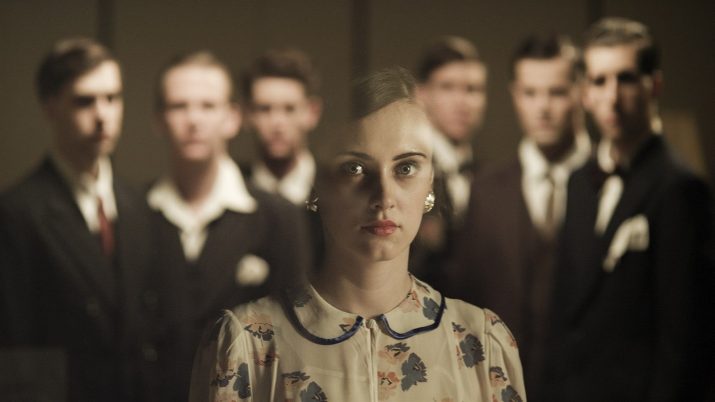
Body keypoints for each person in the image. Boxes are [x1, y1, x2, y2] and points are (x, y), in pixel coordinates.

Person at [189, 67, 525, 401]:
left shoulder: (481, 342)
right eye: (356, 168)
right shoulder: (247, 343)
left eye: (406, 168)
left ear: (430, 183)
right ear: (318, 183)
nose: (384, 197)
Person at [546, 17, 714, 401]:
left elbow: (685, 340)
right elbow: (564, 311)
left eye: (625, 79)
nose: (612, 97)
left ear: (654, 86)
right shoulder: (577, 183)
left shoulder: (680, 188)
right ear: (585, 93)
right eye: (599, 81)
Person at [147, 51, 311, 402]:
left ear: (233, 118)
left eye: (208, 106)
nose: (193, 120)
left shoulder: (277, 216)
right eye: (179, 106)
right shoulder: (137, 213)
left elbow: (294, 341)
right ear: (159, 119)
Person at [0, 38, 157, 402]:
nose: (102, 115)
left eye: (112, 98)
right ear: (50, 106)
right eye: (85, 101)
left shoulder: (136, 205)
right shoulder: (18, 212)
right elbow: (17, 350)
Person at [451, 34, 589, 400]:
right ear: (515, 95)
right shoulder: (486, 191)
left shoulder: (610, 183)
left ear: (581, 92)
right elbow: (466, 302)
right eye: (530, 93)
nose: (543, 107)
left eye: (556, 92)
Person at [411, 36, 488, 285]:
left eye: (472, 89)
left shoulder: (491, 177)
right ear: (421, 94)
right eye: (447, 87)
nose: (461, 102)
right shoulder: (403, 173)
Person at [240, 48, 322, 207]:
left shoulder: (340, 192)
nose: (277, 123)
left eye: (289, 109)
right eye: (264, 109)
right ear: (247, 114)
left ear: (312, 112)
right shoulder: (231, 191)